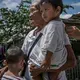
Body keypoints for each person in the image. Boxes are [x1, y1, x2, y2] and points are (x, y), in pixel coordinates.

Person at [22, 1, 76, 80]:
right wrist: (7, 67)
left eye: (33, 11)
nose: (30, 15)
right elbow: (22, 57)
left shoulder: (57, 29)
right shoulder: (30, 34)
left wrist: (43, 70)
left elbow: (72, 61)